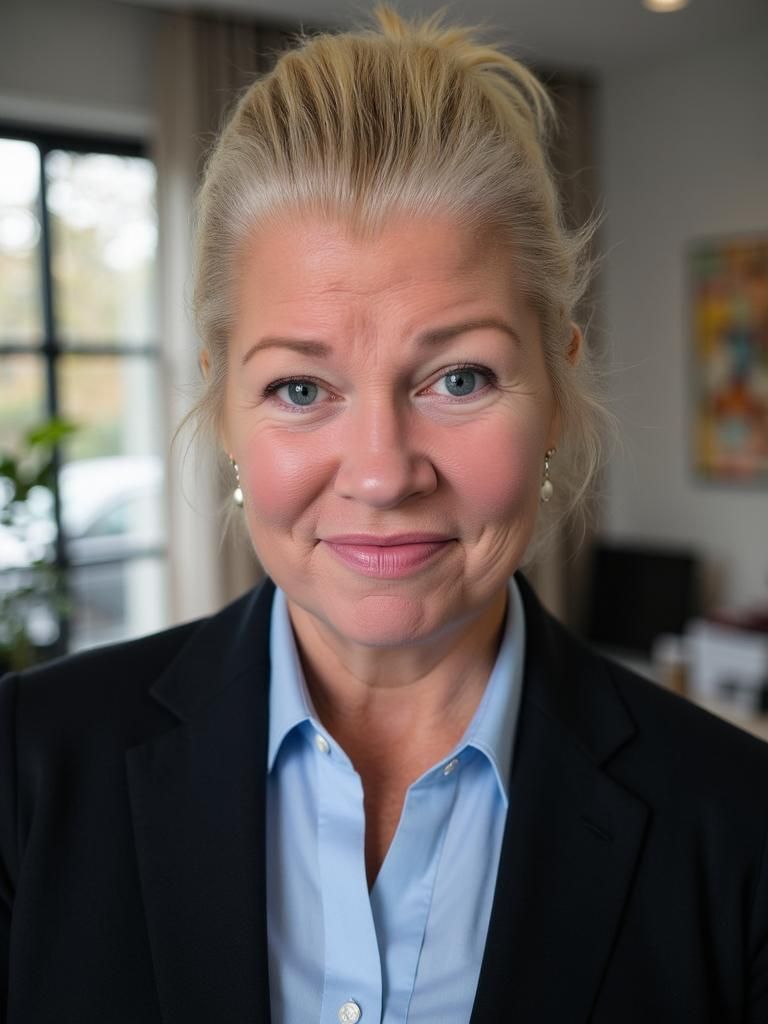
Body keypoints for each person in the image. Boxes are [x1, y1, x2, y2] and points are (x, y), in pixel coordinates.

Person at [1, 8, 767, 1023]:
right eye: (300, 389)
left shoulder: (741, 826)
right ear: (224, 403)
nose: (381, 473)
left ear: (558, 388)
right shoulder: (22, 776)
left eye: (458, 376)